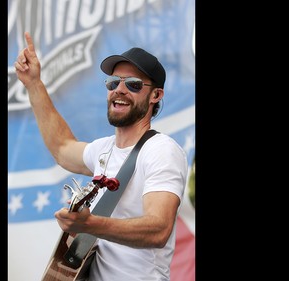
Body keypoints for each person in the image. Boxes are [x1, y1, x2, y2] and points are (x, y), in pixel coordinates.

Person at [15, 31, 188, 281]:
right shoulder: (104, 149)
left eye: (133, 84)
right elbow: (62, 148)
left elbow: (158, 229)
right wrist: (33, 84)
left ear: (156, 96)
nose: (120, 89)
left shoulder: (161, 150)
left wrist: (90, 225)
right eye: (113, 82)